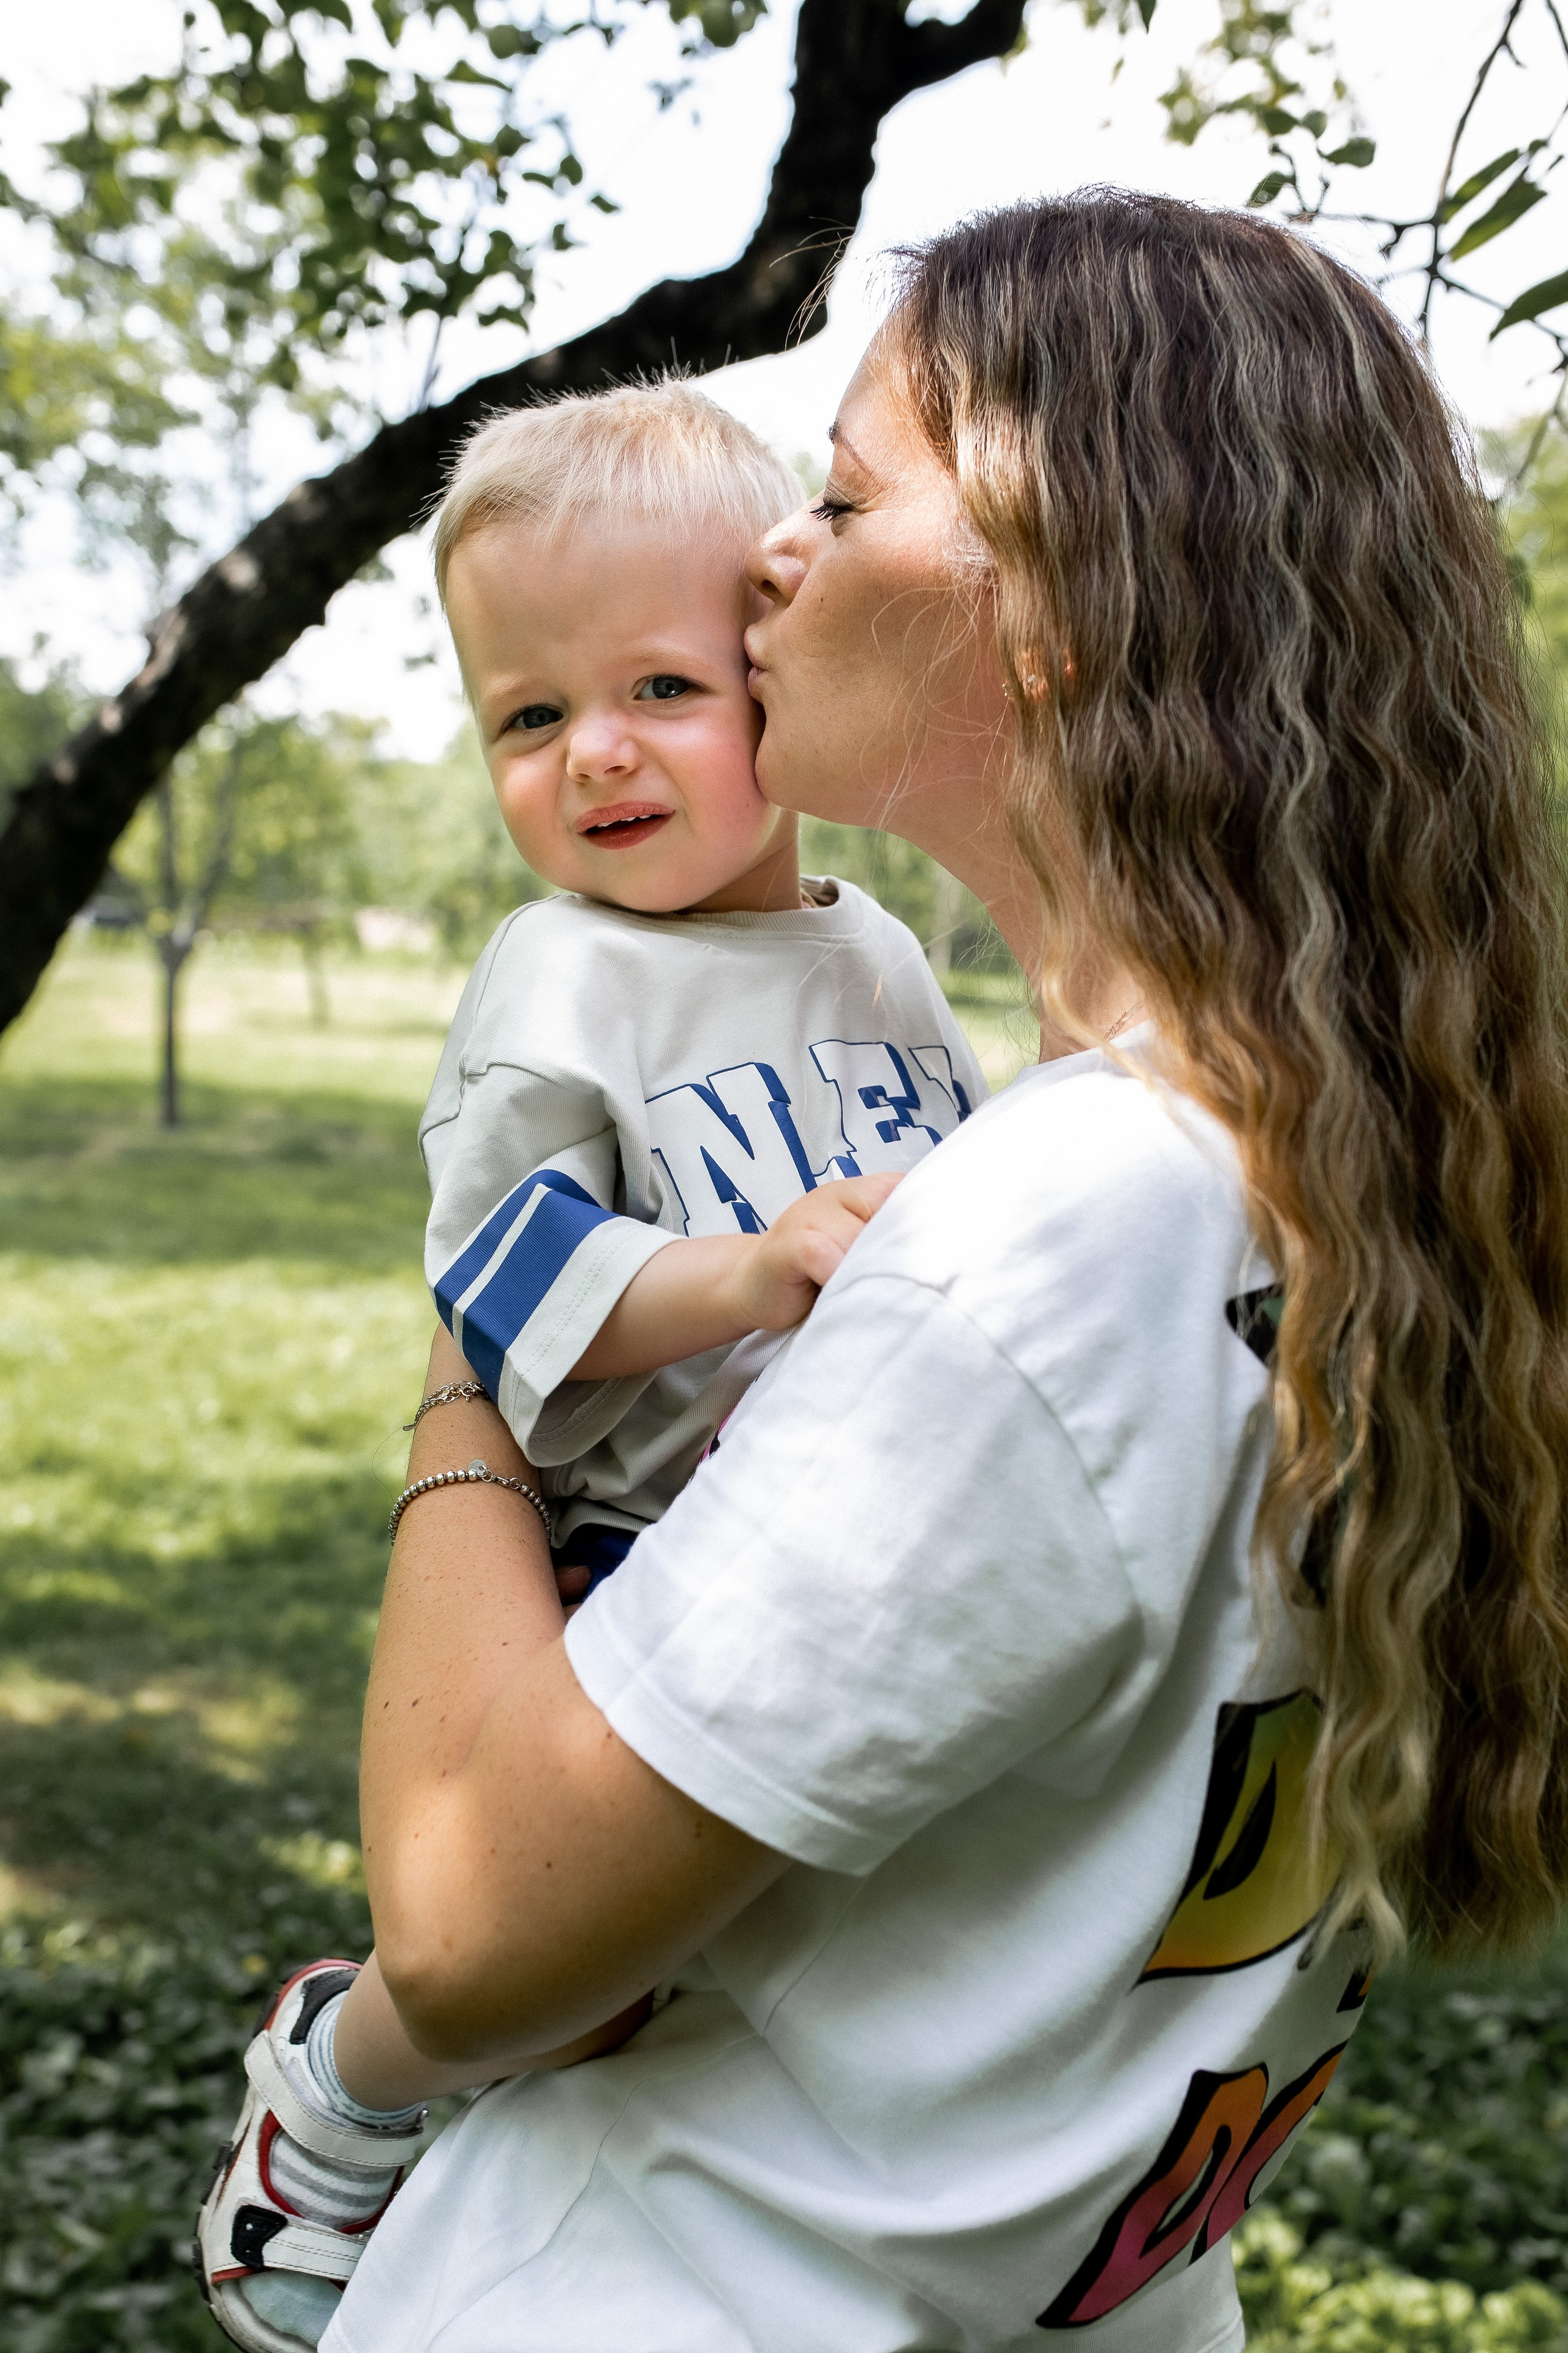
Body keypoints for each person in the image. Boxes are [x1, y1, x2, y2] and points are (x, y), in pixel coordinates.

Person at [243, 189, 1568, 2353]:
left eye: (846, 497)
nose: (772, 554)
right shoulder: (1328, 1167)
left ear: (1055, 605)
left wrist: (464, 1383)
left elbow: (473, 1928)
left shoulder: (1050, 1233)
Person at [195, 381, 982, 2353]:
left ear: (775, 676)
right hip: (620, 1543)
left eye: (661, 686)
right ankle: (342, 2075)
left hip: (830, 1533)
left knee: (799, 1929)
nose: (597, 754)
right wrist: (750, 1270)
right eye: (532, 716)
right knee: (574, 1959)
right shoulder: (561, 975)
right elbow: (503, 1272)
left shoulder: (877, 947)